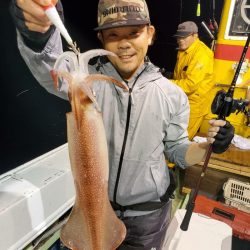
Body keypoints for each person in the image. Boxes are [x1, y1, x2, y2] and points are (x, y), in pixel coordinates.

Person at [10, 0, 234, 249]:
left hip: (148, 218)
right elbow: (50, 72)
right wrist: (38, 33)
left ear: (149, 35)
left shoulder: (173, 95)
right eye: (113, 34)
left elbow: (177, 151)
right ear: (103, 40)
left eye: (134, 33)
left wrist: (209, 147)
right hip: (95, 208)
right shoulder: (90, 86)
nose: (124, 43)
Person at [171, 21, 214, 140]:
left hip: (194, 105)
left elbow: (190, 85)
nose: (180, 40)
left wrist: (165, 83)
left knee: (180, 139)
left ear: (195, 36)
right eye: (178, 37)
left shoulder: (202, 54)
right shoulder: (183, 50)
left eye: (184, 37)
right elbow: (179, 77)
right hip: (181, 100)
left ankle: (177, 158)